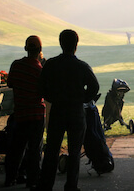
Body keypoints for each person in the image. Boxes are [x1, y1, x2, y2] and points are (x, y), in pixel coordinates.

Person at [36, 29, 100, 191]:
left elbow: (41, 87)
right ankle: (71, 186)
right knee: (74, 150)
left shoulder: (51, 64)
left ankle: (46, 185)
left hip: (57, 110)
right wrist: (83, 99)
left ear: (61, 43)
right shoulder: (81, 66)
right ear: (76, 45)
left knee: (52, 150)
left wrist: (51, 97)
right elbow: (94, 86)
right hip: (76, 111)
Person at [5, 35, 46, 188]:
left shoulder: (16, 65)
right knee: (35, 149)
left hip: (20, 114)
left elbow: (10, 83)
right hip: (36, 115)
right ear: (40, 50)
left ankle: (10, 178)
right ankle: (33, 180)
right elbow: (44, 92)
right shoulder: (39, 70)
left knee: (16, 148)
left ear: (25, 48)